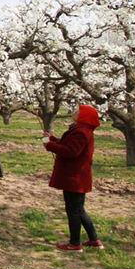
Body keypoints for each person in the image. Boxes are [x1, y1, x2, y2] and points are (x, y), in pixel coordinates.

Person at [43, 104, 104, 251]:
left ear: (84, 117)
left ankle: (75, 243)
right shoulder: (80, 130)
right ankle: (94, 240)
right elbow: (68, 144)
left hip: (75, 177)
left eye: (78, 111)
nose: (75, 111)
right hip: (77, 177)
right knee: (79, 209)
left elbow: (71, 151)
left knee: (73, 211)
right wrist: (52, 139)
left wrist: (49, 145)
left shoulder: (81, 132)